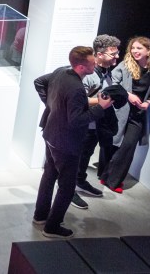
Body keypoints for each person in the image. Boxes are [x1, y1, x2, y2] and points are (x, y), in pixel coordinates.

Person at [33, 46, 113, 239]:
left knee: (49, 176)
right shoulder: (77, 88)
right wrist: (101, 107)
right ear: (81, 67)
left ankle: (40, 216)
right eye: (92, 62)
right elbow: (77, 120)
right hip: (66, 143)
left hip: (51, 134)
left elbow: (39, 82)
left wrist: (53, 107)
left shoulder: (61, 71)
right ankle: (52, 227)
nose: (95, 63)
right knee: (67, 187)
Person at [101, 36, 150, 193]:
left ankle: (112, 180)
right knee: (113, 142)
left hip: (139, 113)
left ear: (148, 51)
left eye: (139, 48)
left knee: (129, 146)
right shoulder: (125, 65)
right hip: (120, 109)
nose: (134, 51)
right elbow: (113, 84)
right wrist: (128, 95)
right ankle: (106, 175)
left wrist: (149, 102)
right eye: (133, 48)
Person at [71, 35, 121, 209]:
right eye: (112, 54)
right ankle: (69, 190)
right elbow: (78, 99)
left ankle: (80, 181)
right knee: (77, 157)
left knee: (86, 155)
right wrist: (103, 101)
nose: (116, 57)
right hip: (84, 124)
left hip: (95, 124)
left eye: (117, 53)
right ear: (99, 54)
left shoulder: (107, 73)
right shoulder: (89, 75)